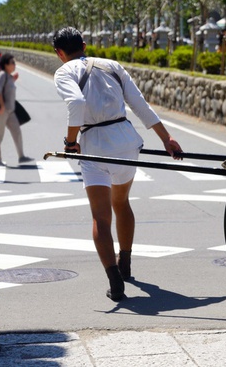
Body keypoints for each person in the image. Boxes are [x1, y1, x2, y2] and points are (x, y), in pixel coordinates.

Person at [52, 27, 182, 302]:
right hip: (125, 140)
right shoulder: (111, 65)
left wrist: (70, 142)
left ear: (59, 53)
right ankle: (125, 263)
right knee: (121, 203)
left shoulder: (64, 72)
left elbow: (75, 102)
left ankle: (115, 281)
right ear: (84, 45)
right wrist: (166, 138)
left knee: (101, 216)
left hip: (95, 146)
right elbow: (139, 103)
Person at [0, 54, 33, 166]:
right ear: (6, 65)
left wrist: (13, 80)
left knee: (17, 131)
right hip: (2, 111)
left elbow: (8, 90)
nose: (14, 65)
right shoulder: (2, 75)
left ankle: (21, 156)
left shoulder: (8, 76)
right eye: (12, 63)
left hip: (10, 111)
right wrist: (2, 106)